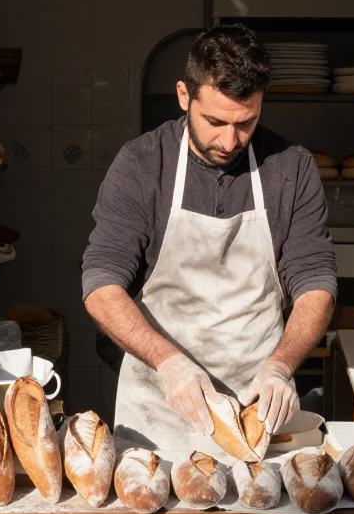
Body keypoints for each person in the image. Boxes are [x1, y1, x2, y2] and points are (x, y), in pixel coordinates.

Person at [82, 24, 337, 450]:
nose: (229, 140)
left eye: (246, 123)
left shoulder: (291, 168)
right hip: (159, 412)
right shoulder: (142, 165)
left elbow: (316, 283)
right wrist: (169, 364)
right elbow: (100, 285)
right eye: (215, 121)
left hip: (257, 410)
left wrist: (280, 367)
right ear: (184, 96)